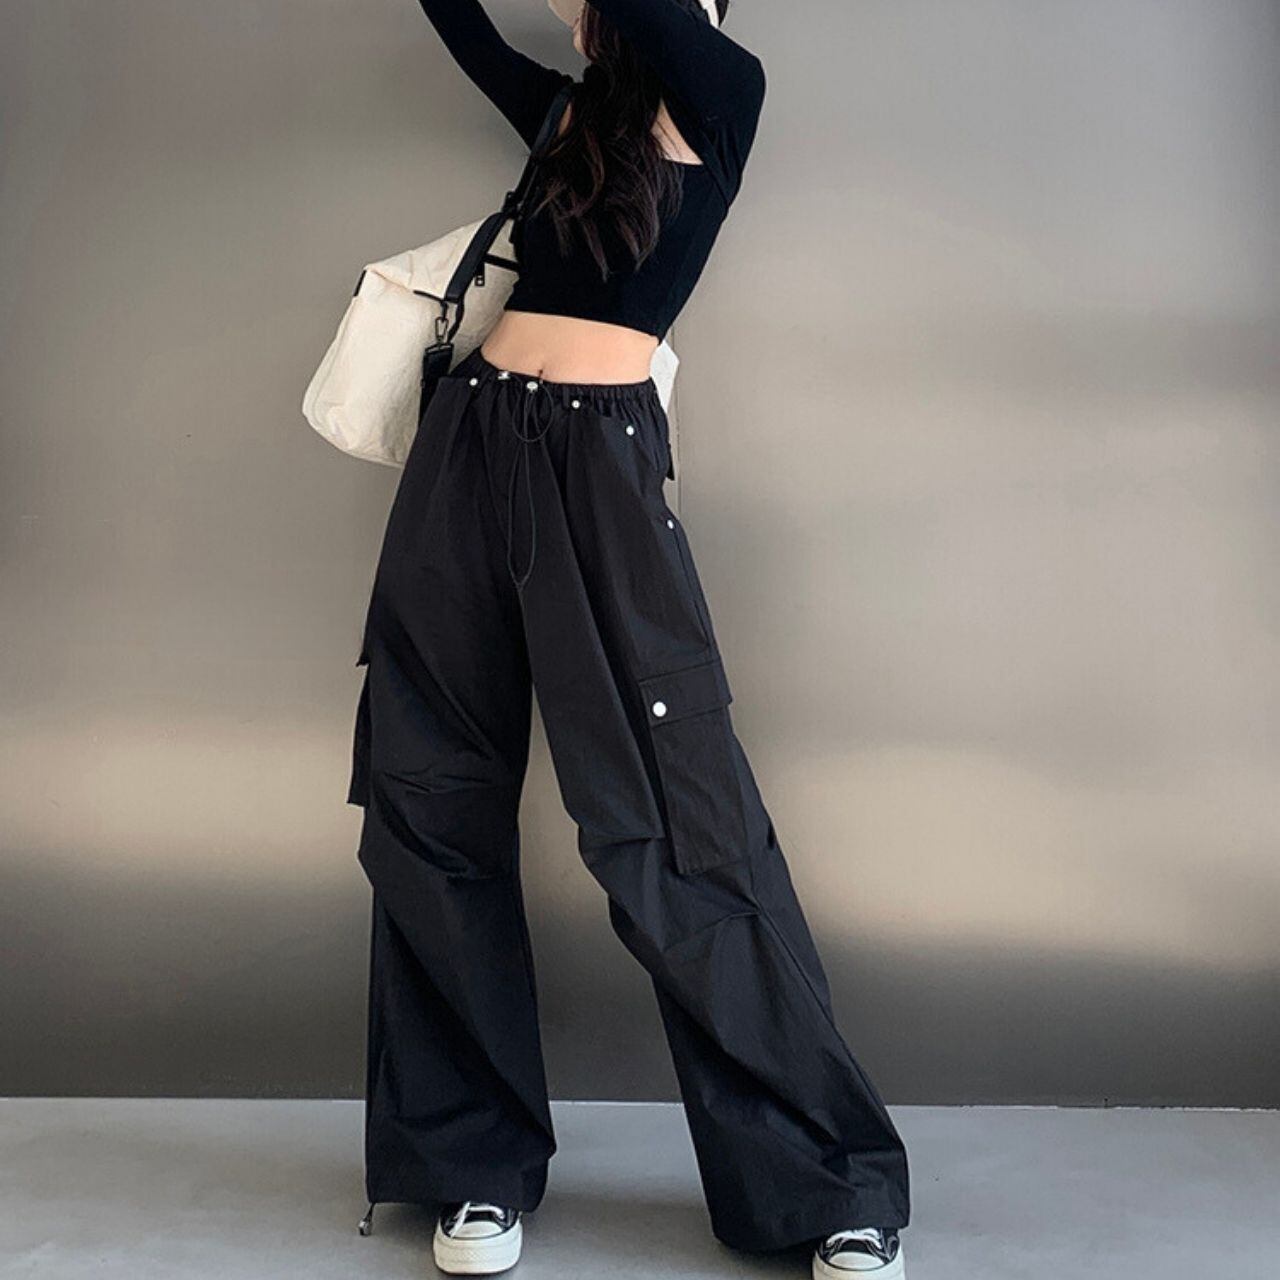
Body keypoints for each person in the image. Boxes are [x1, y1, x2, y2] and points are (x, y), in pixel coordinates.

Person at [346, 2, 911, 1276]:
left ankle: (827, 1179)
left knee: (677, 821)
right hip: (468, 446)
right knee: (426, 793)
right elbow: (461, 27)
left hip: (598, 470)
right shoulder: (568, 118)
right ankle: (468, 1161)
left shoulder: (722, 92)